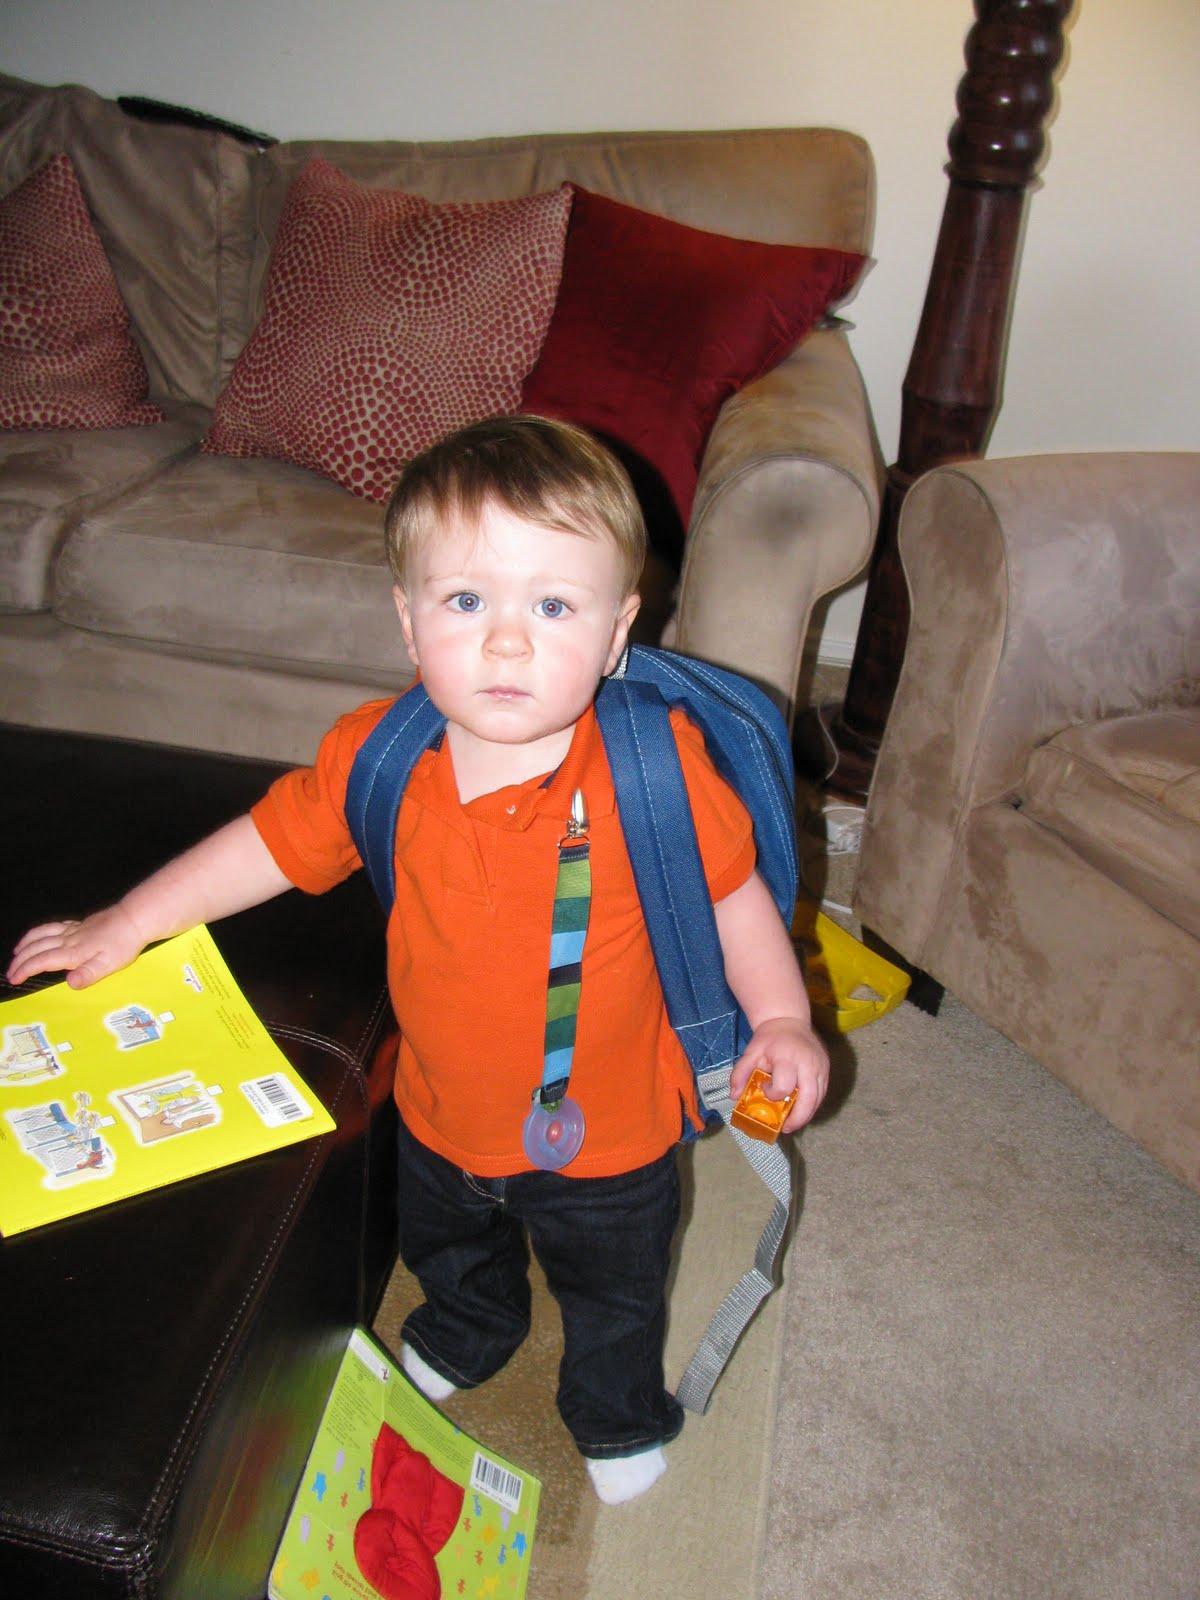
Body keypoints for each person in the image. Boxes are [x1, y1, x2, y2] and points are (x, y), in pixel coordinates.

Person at [7, 415, 829, 1505]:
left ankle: (615, 1409)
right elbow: (263, 844)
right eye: (464, 600)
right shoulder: (379, 756)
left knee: (615, 1292)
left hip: (612, 1131)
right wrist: (131, 918)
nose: (504, 642)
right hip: (437, 1108)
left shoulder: (654, 770)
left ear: (619, 626)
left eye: (553, 604)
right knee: (451, 1246)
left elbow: (730, 900)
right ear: (407, 618)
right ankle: (472, 1325)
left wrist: (779, 1018)